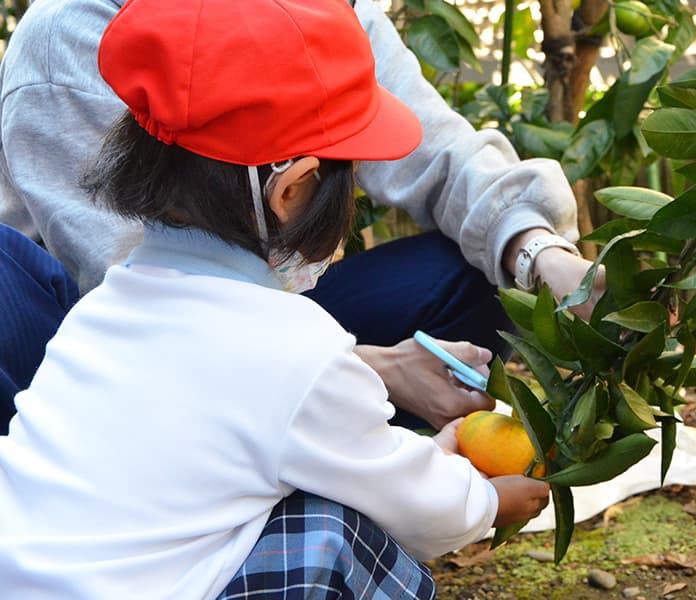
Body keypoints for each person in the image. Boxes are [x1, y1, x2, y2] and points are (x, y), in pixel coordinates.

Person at [0, 0, 552, 596]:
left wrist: (429, 460)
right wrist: (485, 501)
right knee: (332, 533)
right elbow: (416, 507)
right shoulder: (298, 347)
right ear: (292, 192)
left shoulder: (100, 314)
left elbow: (375, 460)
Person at [0, 0, 604, 432]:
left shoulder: (319, 12)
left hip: (268, 301)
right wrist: (368, 372)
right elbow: (136, 293)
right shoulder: (72, 36)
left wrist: (541, 257)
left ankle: (331, 458)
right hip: (104, 353)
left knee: (474, 268)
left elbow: (439, 152)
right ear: (292, 191)